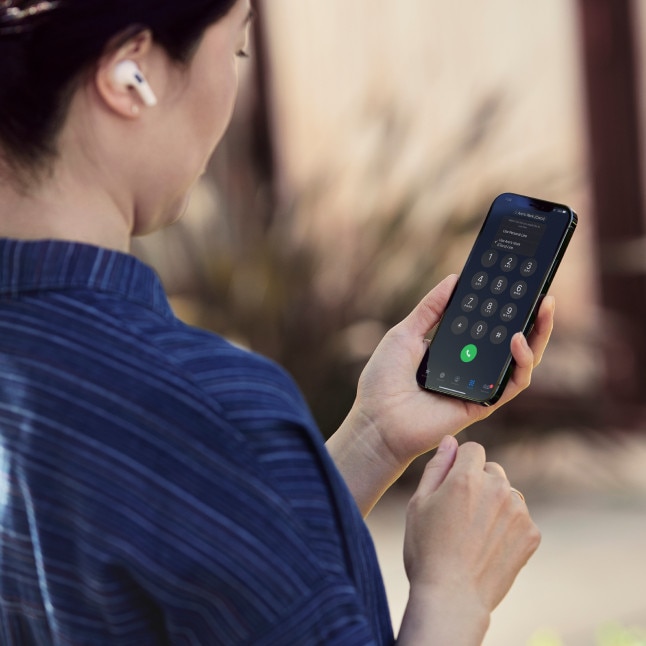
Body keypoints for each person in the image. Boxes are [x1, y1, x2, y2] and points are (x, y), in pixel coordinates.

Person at [0, 0, 552, 643]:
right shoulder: (212, 406)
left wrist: (374, 436)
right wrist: (453, 595)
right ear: (131, 73)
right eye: (235, 50)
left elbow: (193, 564)